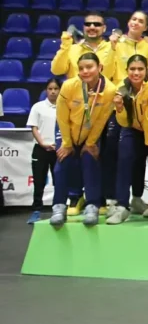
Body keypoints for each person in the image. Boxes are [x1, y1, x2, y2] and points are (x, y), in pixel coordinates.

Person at [49, 53, 117, 227]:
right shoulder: (69, 86)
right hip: (66, 130)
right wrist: (67, 143)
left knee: (90, 161)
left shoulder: (109, 90)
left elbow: (102, 119)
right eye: (81, 68)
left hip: (91, 132)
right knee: (62, 163)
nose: (85, 71)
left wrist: (90, 142)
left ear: (100, 67)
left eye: (89, 67)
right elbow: (62, 117)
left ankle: (92, 205)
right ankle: (59, 206)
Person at [106, 10, 148, 216]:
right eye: (133, 19)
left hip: (146, 104)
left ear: (146, 27)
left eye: (141, 21)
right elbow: (107, 70)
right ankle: (119, 202)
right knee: (123, 156)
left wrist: (147, 91)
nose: (136, 23)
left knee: (140, 158)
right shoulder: (116, 43)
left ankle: (137, 198)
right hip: (123, 100)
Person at [26, 79, 60, 224]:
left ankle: (58, 210)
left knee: (59, 182)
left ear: (60, 90)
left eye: (56, 88)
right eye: (50, 88)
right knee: (39, 182)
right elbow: (34, 127)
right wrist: (43, 144)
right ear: (46, 90)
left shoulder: (65, 107)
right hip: (40, 150)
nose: (53, 91)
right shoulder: (38, 107)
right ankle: (36, 211)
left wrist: (59, 145)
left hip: (59, 150)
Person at [50, 12, 114, 80]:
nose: (92, 27)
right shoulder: (71, 49)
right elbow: (56, 71)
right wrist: (65, 46)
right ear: (83, 27)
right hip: (76, 90)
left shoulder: (112, 48)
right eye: (88, 24)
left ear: (104, 28)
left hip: (104, 90)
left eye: (97, 24)